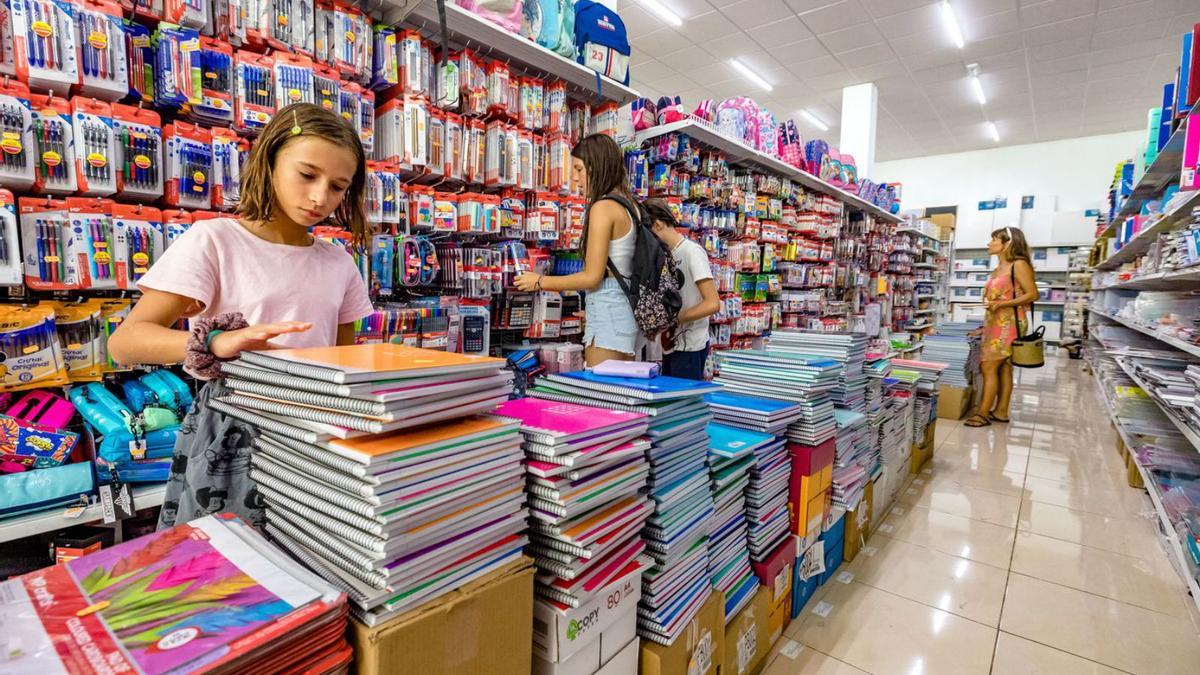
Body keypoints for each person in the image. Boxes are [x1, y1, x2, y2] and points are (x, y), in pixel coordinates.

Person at [107, 103, 375, 529]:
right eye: (307, 175)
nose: (320, 197)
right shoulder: (215, 240)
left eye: (338, 186)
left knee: (315, 555)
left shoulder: (339, 263)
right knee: (229, 567)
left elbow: (343, 360)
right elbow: (125, 342)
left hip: (316, 429)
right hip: (233, 427)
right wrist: (213, 342)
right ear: (269, 161)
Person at [513, 134, 640, 366]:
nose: (575, 178)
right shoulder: (628, 205)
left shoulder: (603, 208)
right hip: (622, 311)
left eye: (579, 169)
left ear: (598, 166)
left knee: (601, 394)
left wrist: (540, 282)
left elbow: (592, 277)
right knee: (617, 393)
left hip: (609, 313)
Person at [965, 226, 1038, 428]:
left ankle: (982, 413)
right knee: (1003, 368)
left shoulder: (1019, 265)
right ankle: (1001, 411)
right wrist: (984, 324)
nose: (989, 243)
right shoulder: (998, 269)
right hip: (995, 321)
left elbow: (1033, 294)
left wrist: (1003, 304)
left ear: (1007, 244)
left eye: (994, 239)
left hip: (1009, 322)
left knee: (988, 365)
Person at [642, 199, 719, 380]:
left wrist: (674, 319)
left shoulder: (692, 252)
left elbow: (713, 303)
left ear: (658, 225)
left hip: (690, 346)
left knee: (684, 402)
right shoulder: (665, 255)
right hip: (670, 344)